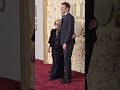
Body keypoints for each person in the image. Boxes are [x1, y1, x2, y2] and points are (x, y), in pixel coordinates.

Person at [60, 2, 75, 84]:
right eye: (61, 7)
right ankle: (69, 76)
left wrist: (65, 42)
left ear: (67, 8)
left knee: (66, 59)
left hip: (68, 43)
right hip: (64, 42)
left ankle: (67, 78)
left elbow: (70, 31)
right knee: (67, 60)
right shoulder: (64, 17)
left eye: (62, 7)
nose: (61, 8)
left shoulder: (70, 17)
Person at [85, 0, 98, 89]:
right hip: (78, 37)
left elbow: (92, 16)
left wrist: (95, 22)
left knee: (86, 70)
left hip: (89, 37)